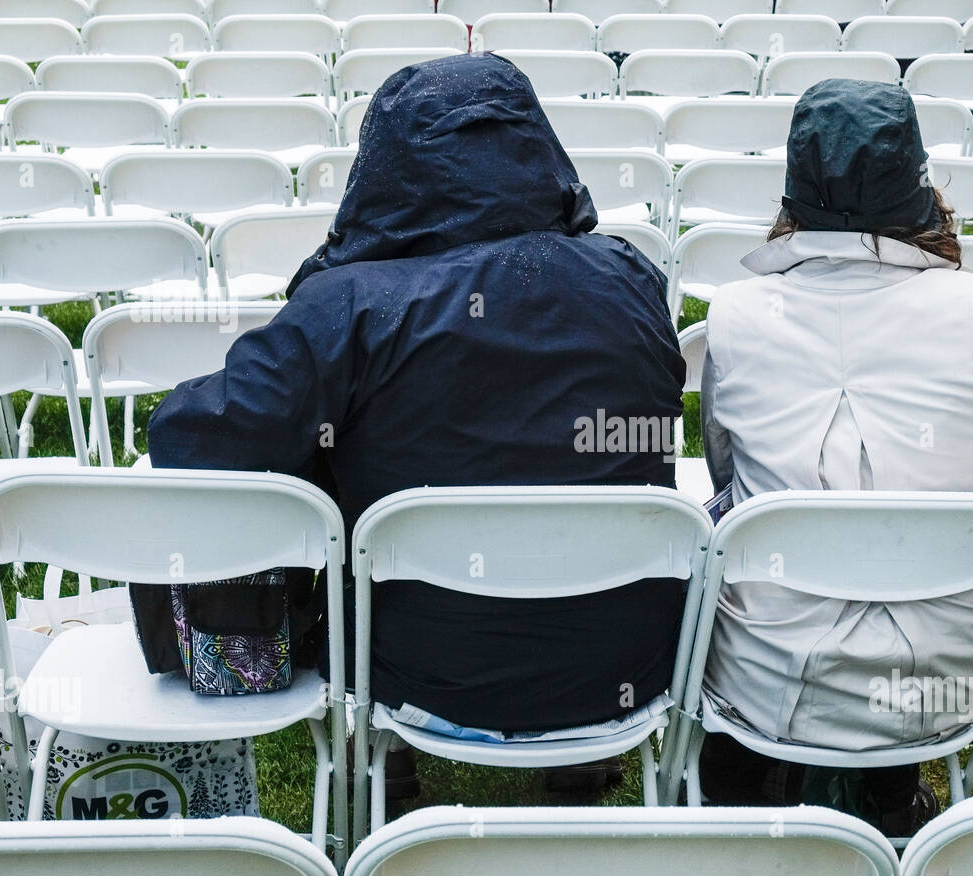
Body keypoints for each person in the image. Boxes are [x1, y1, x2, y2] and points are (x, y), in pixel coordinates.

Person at [146, 52, 687, 794]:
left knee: (316, 451)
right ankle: (574, 756)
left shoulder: (348, 304)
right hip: (623, 664)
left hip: (412, 671)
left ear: (387, 165)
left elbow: (191, 440)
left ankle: (390, 771)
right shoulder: (633, 280)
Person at [697, 78, 973, 834]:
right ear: (915, 181)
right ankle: (892, 791)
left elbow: (728, 479)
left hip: (768, 677)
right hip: (948, 680)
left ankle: (762, 792)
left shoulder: (734, 313)